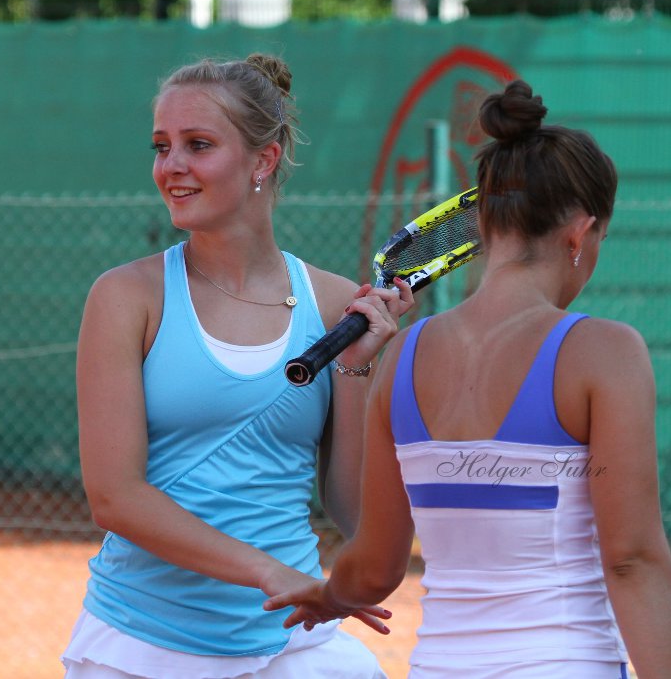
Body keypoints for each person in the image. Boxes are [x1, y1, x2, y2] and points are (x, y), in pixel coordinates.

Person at [264, 80, 671, 678]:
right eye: (599, 241)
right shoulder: (606, 351)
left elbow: (375, 569)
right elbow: (633, 561)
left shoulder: (405, 356)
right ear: (579, 235)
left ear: (482, 224)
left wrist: (332, 594)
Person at [61, 53, 415, 677]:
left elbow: (353, 510)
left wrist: (358, 367)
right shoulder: (126, 297)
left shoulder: (335, 303)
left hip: (293, 644)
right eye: (161, 146)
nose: (172, 167)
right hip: (143, 647)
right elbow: (115, 497)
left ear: (263, 159)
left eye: (198, 145)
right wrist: (268, 571)